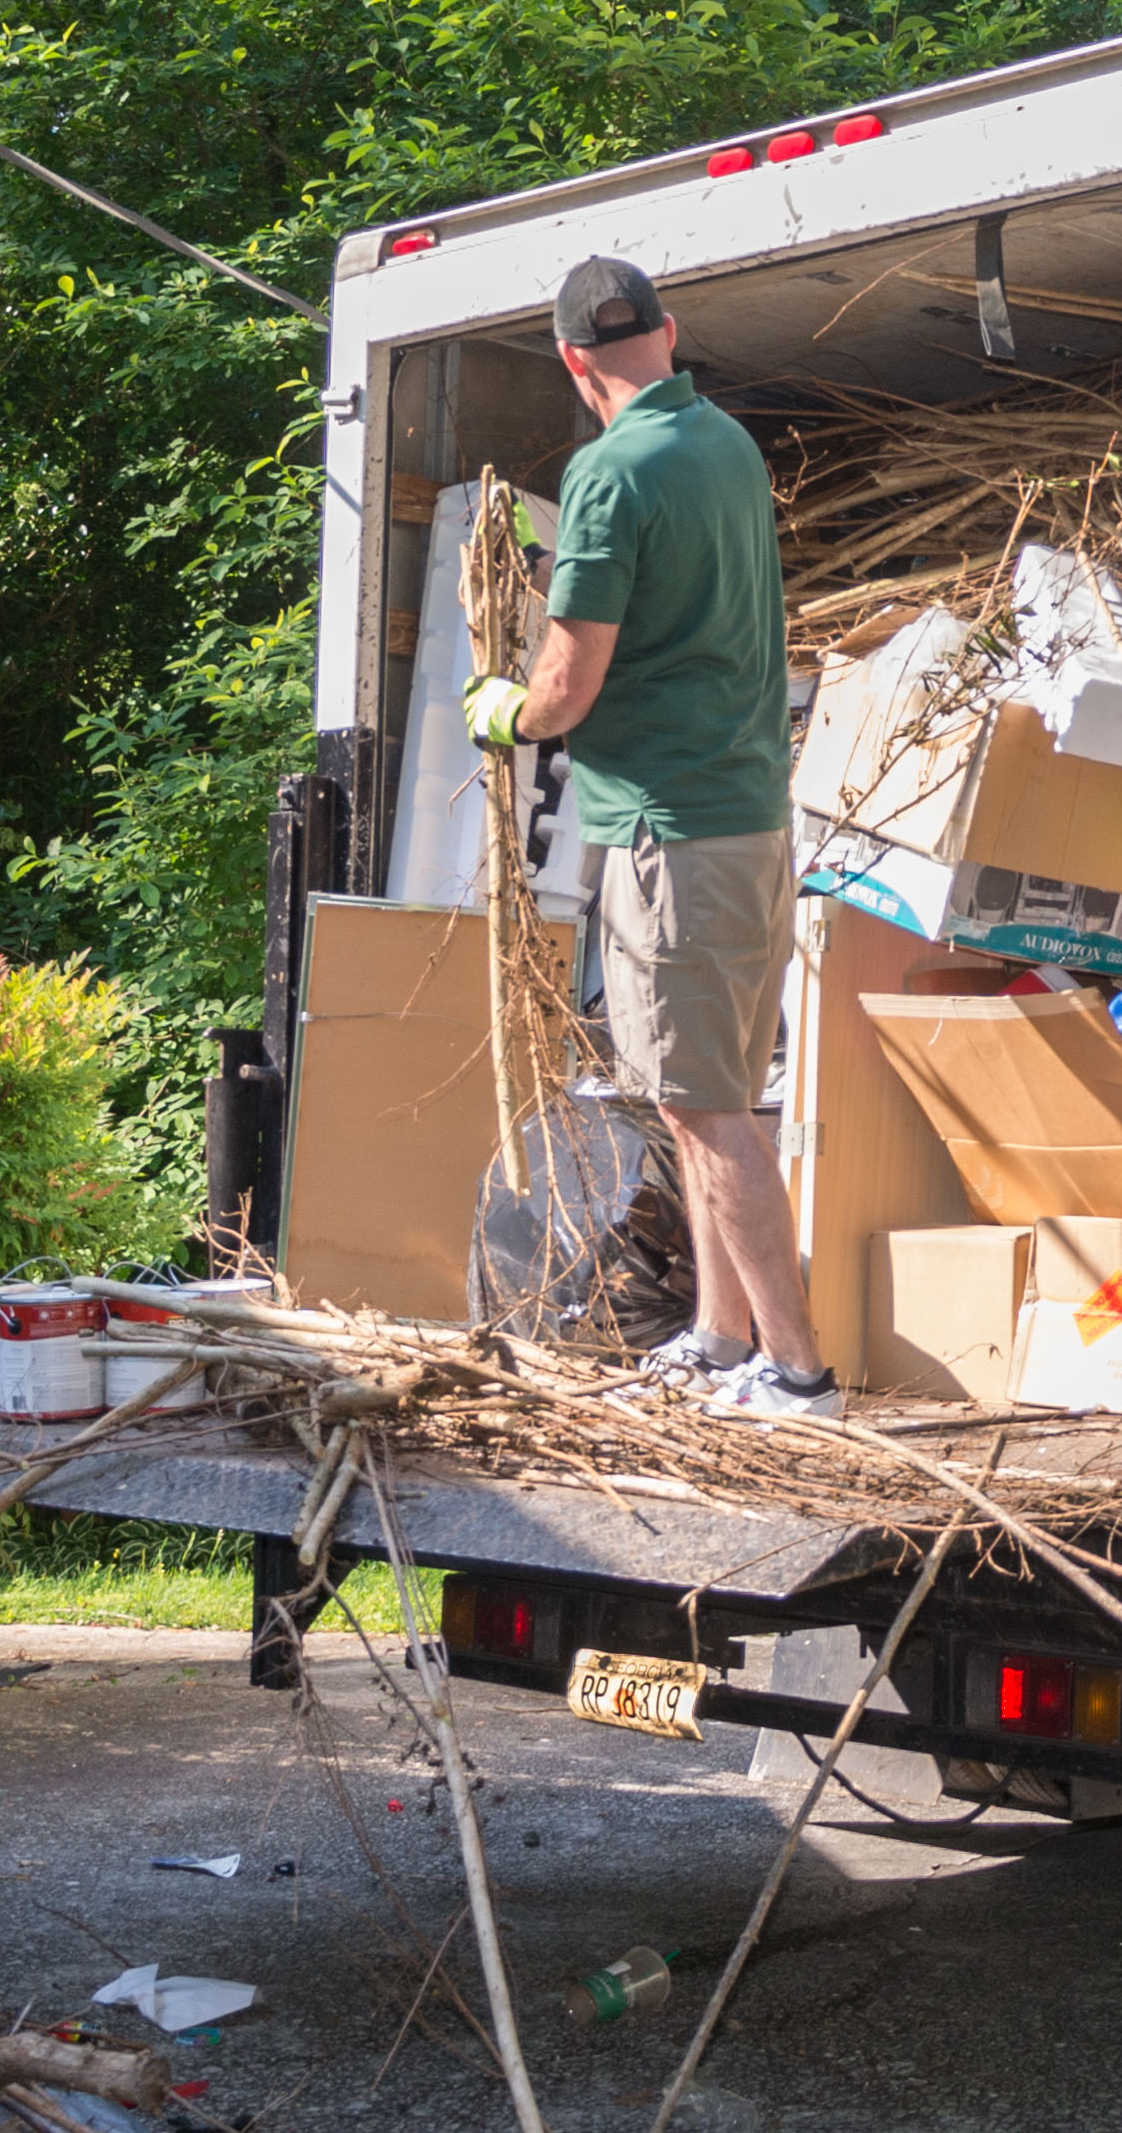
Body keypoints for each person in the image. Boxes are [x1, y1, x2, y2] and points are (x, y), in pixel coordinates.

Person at [461, 254, 838, 1417]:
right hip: (743, 820)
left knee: (701, 1104)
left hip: (671, 836)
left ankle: (797, 1368)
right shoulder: (721, 442)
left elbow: (566, 686)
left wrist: (502, 708)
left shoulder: (608, 473)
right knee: (704, 1088)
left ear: (575, 363)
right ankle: (721, 1339)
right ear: (666, 336)